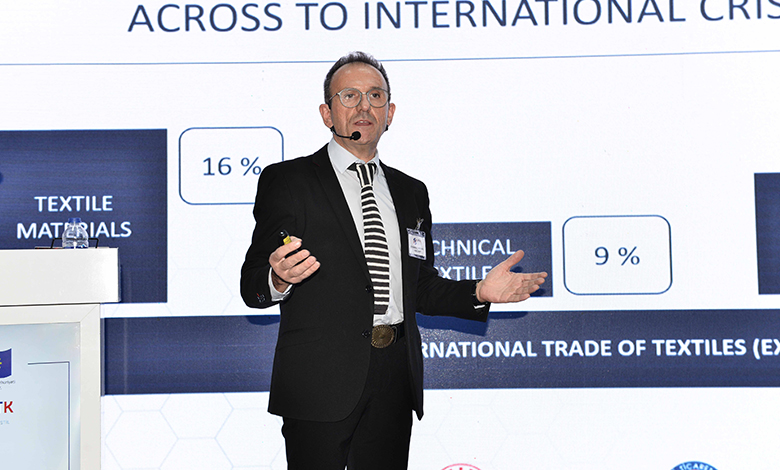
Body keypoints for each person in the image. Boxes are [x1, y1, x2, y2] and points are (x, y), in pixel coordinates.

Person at [240, 51, 547, 469]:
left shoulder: (410, 192)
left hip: (393, 380)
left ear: (390, 113)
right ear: (327, 113)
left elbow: (420, 286)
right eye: (349, 96)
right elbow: (252, 284)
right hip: (318, 382)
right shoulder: (289, 181)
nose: (364, 106)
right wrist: (277, 279)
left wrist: (478, 291)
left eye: (375, 96)